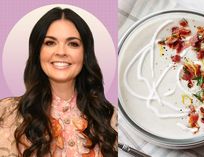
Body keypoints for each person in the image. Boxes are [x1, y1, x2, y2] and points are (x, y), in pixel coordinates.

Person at [0, 7, 117, 157]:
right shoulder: (6, 113)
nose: (61, 52)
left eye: (73, 44)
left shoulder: (110, 118)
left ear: (85, 54)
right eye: (50, 43)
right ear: (37, 51)